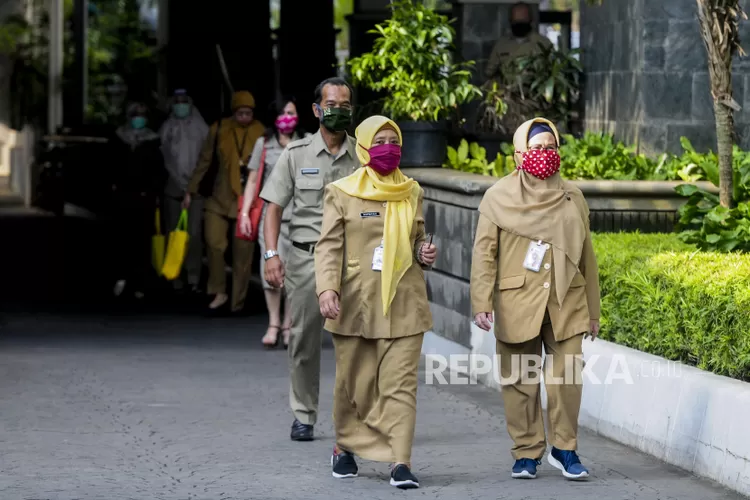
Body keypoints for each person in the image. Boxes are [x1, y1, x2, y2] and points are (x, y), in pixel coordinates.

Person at [470, 117, 601, 481]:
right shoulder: (497, 197)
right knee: (519, 381)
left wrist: (593, 309)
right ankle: (527, 451)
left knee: (567, 377)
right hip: (516, 300)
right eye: (537, 148)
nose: (544, 154)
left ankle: (565, 447)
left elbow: (586, 255)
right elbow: (484, 254)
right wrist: (481, 302)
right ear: (518, 154)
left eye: (550, 147)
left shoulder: (573, 196)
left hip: (567, 300)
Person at [315, 115, 437, 489]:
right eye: (380, 141)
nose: (389, 148)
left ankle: (401, 461)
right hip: (357, 302)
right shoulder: (342, 191)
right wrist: (327, 289)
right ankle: (345, 447)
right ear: (365, 147)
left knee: (401, 384)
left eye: (394, 141)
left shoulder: (412, 190)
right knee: (356, 384)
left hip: (405, 301)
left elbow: (415, 239)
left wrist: (424, 251)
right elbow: (329, 245)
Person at [259, 77, 360, 441]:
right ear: (317, 109)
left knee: (357, 340)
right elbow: (272, 208)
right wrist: (272, 254)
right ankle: (304, 413)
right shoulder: (296, 153)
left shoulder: (363, 155)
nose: (338, 111)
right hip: (305, 260)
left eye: (345, 105)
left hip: (353, 263)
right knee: (303, 342)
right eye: (331, 104)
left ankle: (355, 415)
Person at [183, 90, 265, 312]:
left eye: (248, 113)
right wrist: (191, 190)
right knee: (214, 244)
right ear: (233, 111)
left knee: (243, 253)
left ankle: (238, 300)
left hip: (247, 200)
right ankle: (218, 291)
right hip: (219, 197)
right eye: (240, 112)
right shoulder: (219, 128)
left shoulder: (261, 132)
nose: (244, 117)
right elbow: (204, 160)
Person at [239, 97, 309, 348]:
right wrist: (245, 212)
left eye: (292, 112)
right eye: (283, 113)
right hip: (271, 218)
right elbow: (252, 179)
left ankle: (289, 325)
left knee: (293, 274)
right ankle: (273, 324)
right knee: (270, 270)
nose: (288, 117)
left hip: (301, 217)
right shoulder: (264, 143)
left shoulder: (308, 141)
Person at [111, 101, 166, 299]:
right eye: (135, 114)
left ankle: (140, 283)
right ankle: (121, 277)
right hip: (123, 197)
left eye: (142, 114)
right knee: (122, 239)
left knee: (143, 241)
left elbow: (159, 171)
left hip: (145, 198)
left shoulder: (153, 140)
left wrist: (153, 193)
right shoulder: (119, 138)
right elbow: (111, 166)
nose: (139, 118)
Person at [159, 89, 209, 294]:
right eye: (176, 101)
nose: (180, 105)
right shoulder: (167, 127)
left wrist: (192, 186)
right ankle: (174, 275)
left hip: (195, 189)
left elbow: (206, 158)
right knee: (173, 232)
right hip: (173, 188)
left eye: (184, 101)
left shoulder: (201, 127)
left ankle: (193, 277)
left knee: (194, 234)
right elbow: (163, 160)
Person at [485, 2, 553, 82]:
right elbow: (489, 72)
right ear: (510, 20)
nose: (519, 25)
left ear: (530, 20)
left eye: (523, 21)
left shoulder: (544, 43)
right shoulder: (501, 44)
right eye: (516, 21)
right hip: (507, 92)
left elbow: (553, 72)